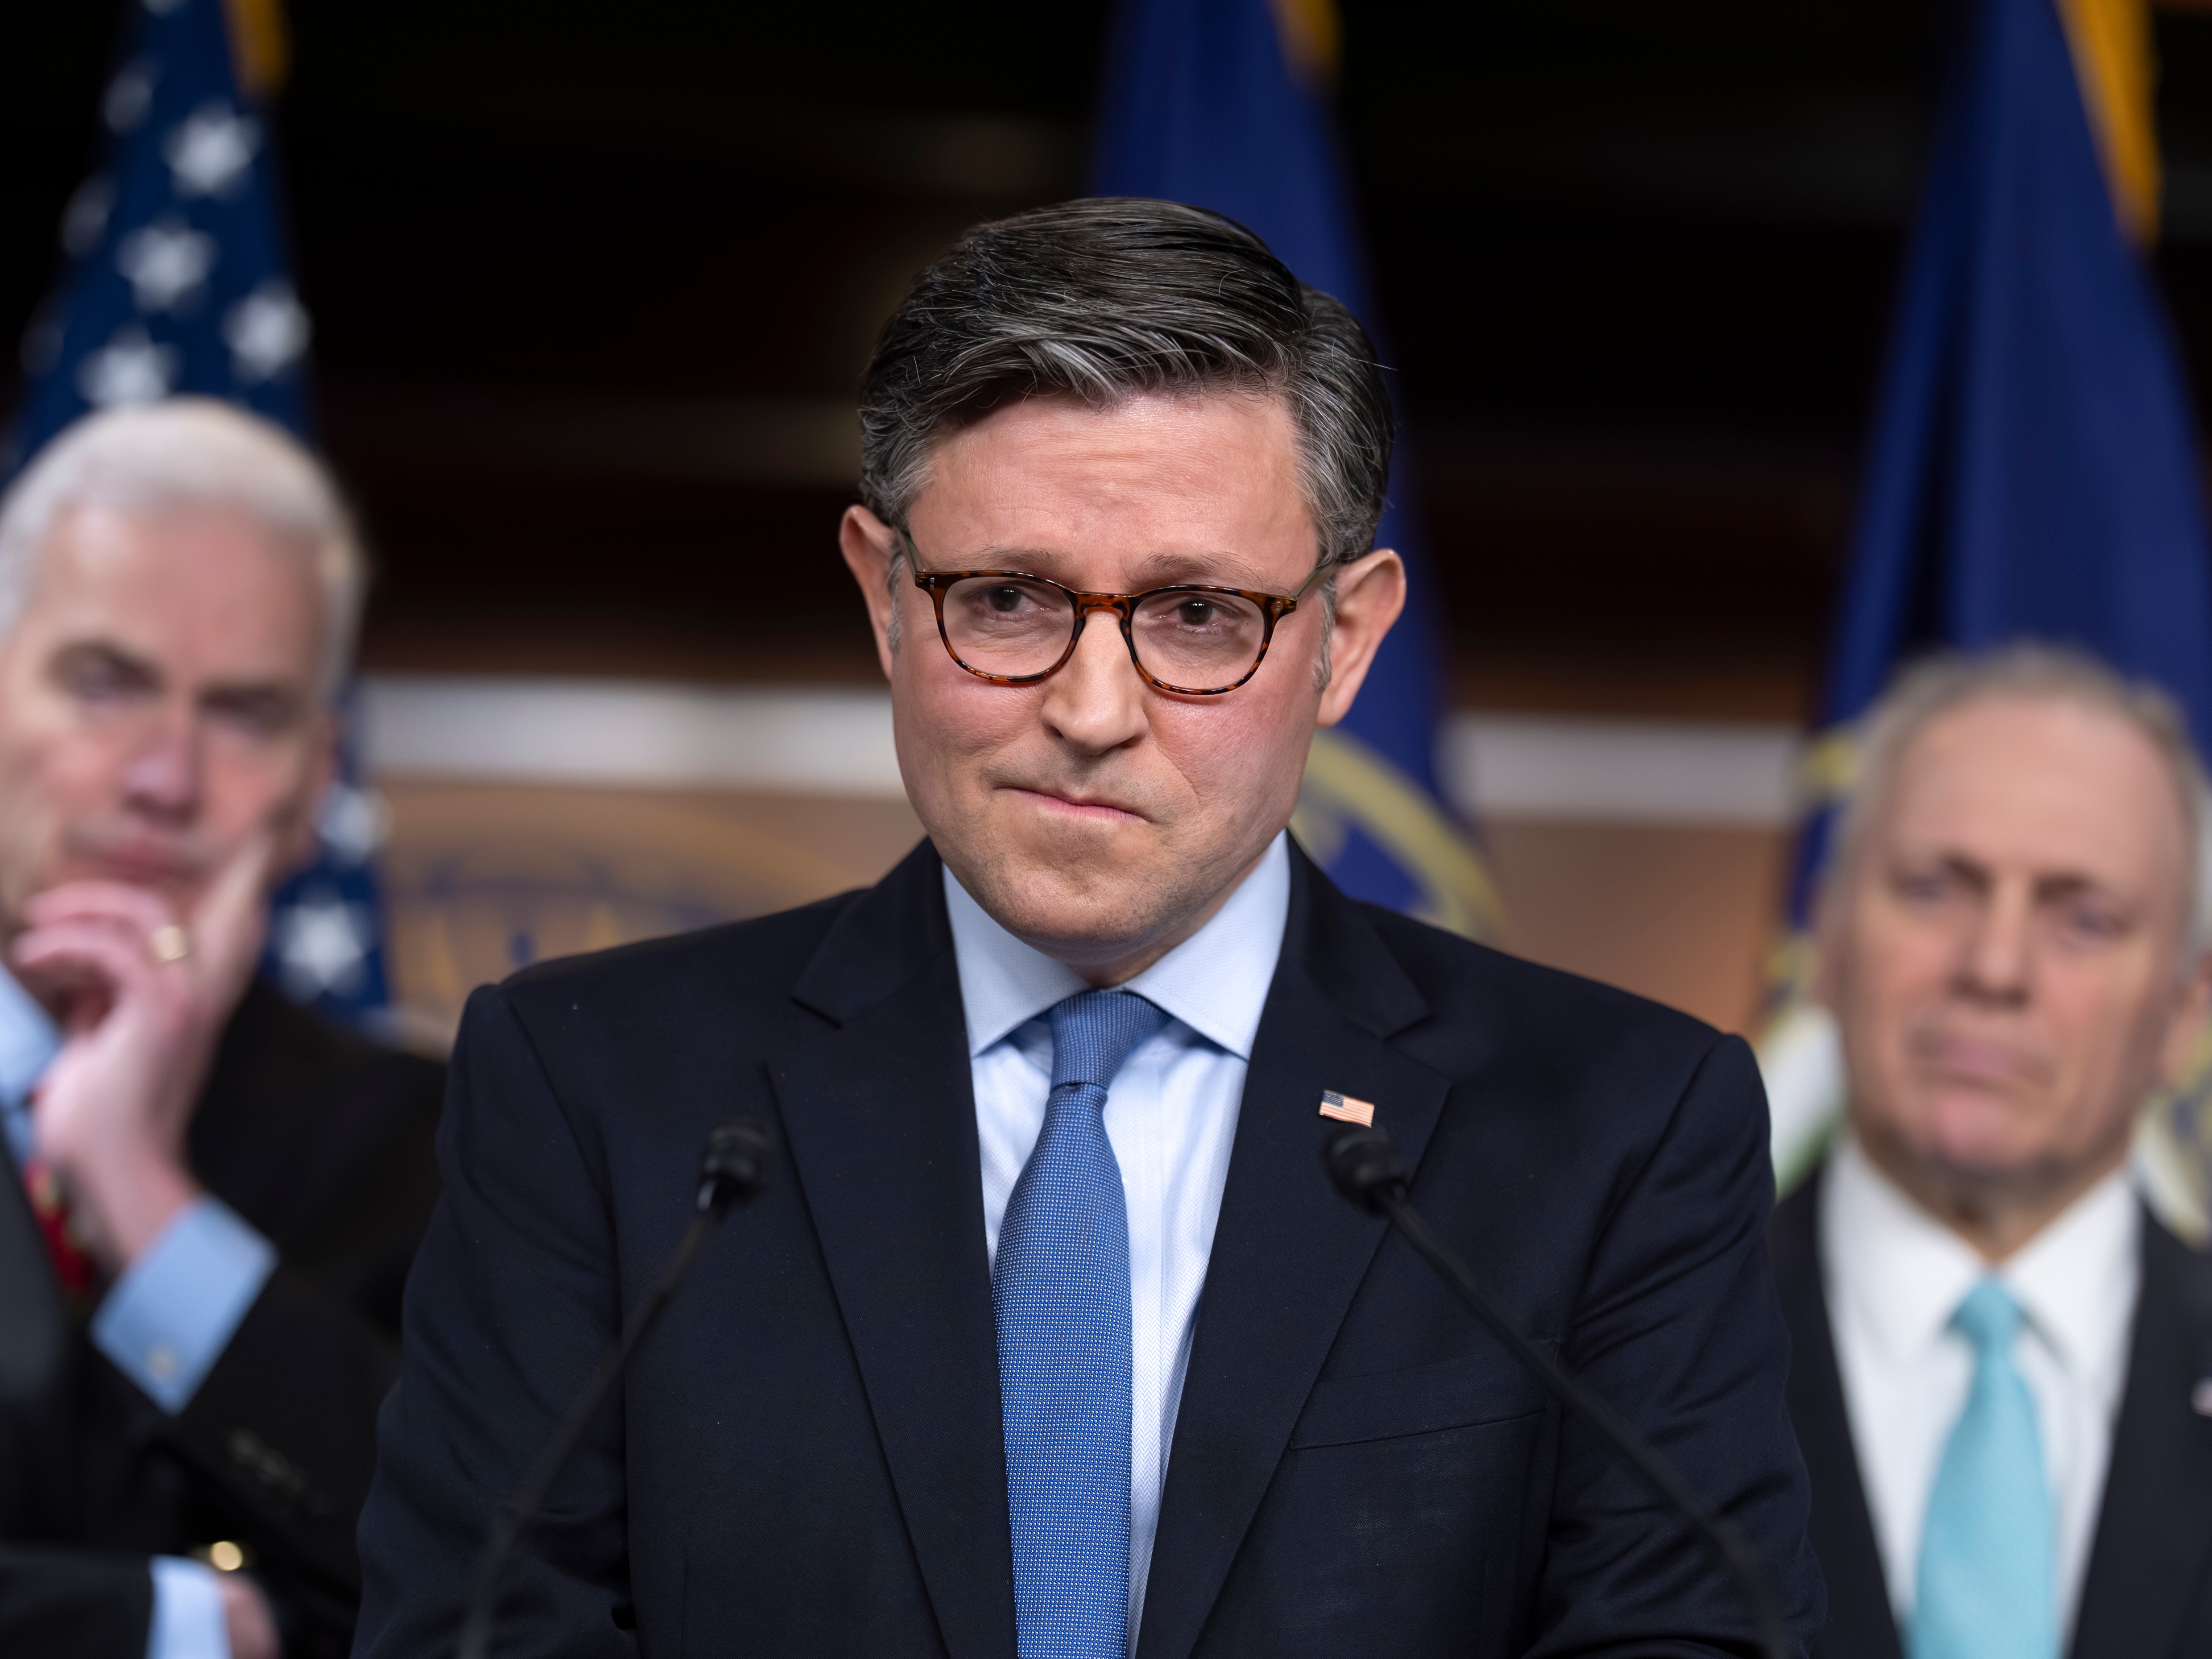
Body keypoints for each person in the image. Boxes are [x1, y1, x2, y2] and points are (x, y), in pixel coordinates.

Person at [354, 199, 1822, 1658]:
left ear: (1345, 640)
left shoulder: (1616, 1125)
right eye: (1004, 599)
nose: (1090, 710)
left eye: (1194, 615)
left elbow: (1683, 1634)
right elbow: (475, 1630)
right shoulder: (592, 1083)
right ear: (881, 596)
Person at [0, 401, 444, 1659]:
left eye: (243, 712)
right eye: (104, 682)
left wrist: (144, 1200)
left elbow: (489, 1568)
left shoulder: (456, 1143)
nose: (166, 777)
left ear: (316, 784)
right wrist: (178, 1619)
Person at [1769, 646, 2212, 1659]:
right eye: (1933, 887)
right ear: (1826, 936)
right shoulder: (1620, 1361)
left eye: (2084, 918)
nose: (1993, 966)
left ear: (2184, 1008)